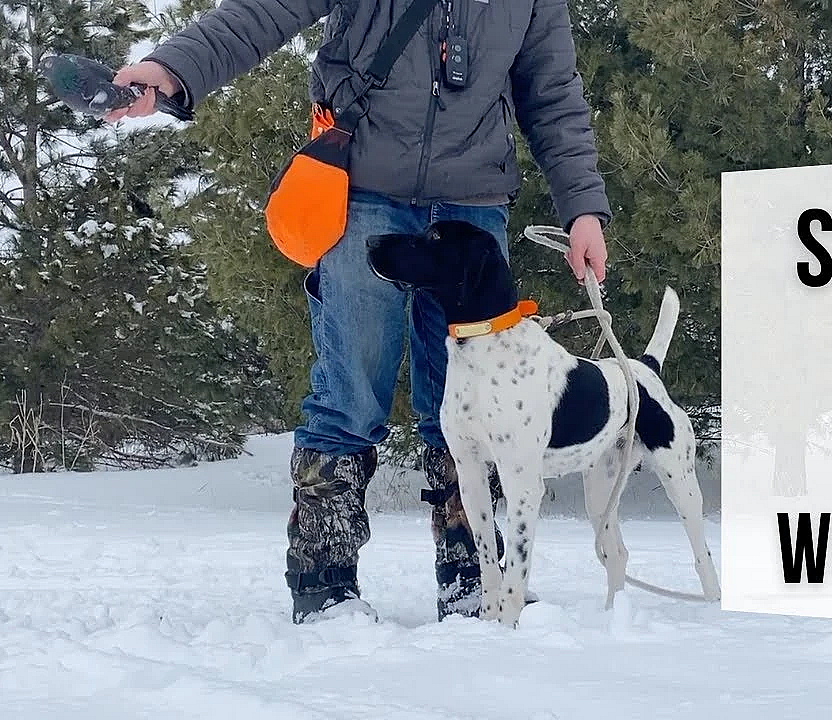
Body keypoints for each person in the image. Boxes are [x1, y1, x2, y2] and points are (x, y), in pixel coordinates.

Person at [109, 0, 611, 623]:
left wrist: (582, 208)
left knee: (472, 408)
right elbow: (261, 14)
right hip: (359, 196)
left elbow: (553, 92)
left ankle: (475, 581)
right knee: (349, 395)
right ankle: (325, 585)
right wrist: (173, 69)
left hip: (472, 210)